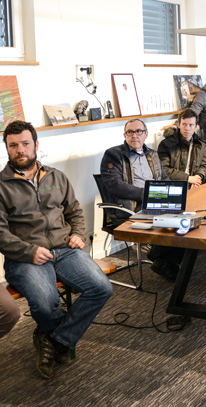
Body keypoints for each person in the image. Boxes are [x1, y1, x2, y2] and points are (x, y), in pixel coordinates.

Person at [2, 120, 113, 379]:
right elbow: (0, 233)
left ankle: (53, 339)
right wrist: (29, 251)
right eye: (13, 145)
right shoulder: (1, 185)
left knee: (101, 288)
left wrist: (77, 234)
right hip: (25, 258)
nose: (20, 150)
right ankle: (59, 335)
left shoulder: (56, 176)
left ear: (36, 145)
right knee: (46, 304)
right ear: (7, 149)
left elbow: (74, 211)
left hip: (64, 250)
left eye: (25, 143)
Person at [101, 118, 184, 282]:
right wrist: (147, 195)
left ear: (146, 134)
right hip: (130, 207)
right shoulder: (113, 155)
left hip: (156, 201)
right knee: (170, 221)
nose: (134, 135)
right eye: (130, 132)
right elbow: (115, 186)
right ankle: (162, 259)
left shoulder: (152, 154)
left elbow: (163, 178)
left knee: (185, 219)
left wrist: (173, 194)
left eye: (139, 131)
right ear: (125, 135)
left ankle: (159, 257)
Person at [157, 108, 206, 187]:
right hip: (174, 185)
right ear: (179, 125)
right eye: (184, 124)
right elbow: (163, 169)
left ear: (196, 126)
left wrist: (198, 178)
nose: (187, 128)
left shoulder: (201, 144)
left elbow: (203, 165)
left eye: (191, 125)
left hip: (194, 184)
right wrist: (187, 178)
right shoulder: (166, 144)